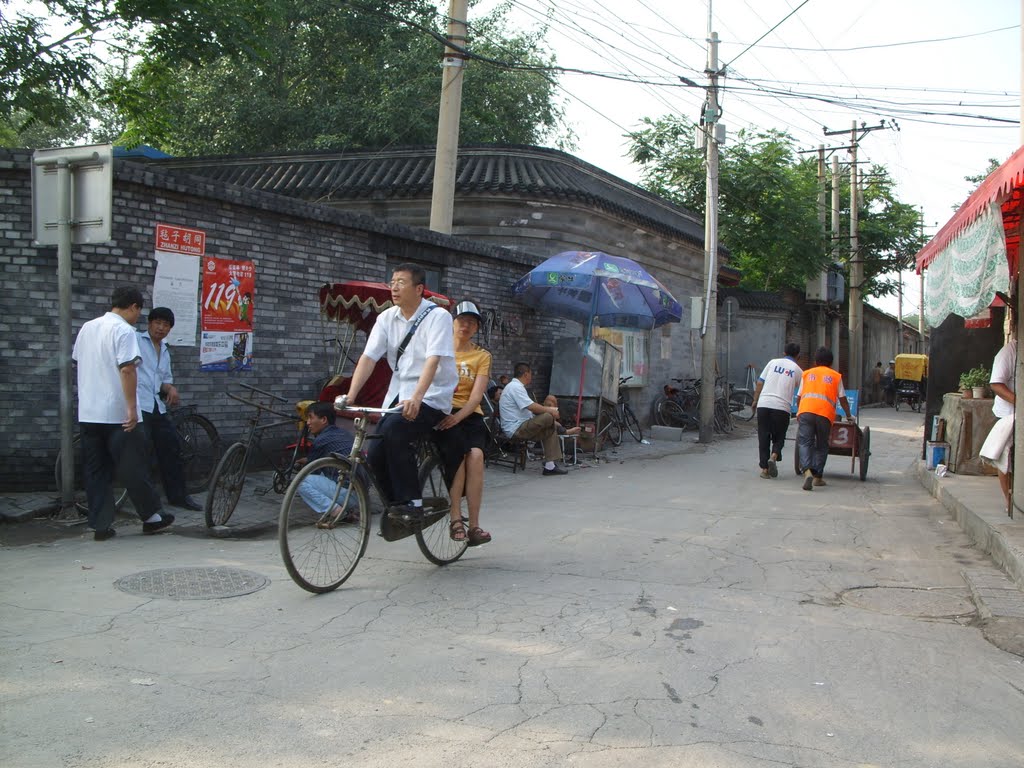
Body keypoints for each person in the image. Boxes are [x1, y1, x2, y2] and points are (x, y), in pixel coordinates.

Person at [339, 264, 457, 521]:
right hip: (399, 392)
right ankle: (397, 507)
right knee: (376, 451)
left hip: (432, 394)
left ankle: (413, 502)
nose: (394, 287)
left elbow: (433, 360)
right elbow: (369, 358)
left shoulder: (438, 317)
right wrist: (350, 395)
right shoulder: (386, 318)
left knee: (395, 431)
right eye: (392, 282)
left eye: (401, 282)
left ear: (419, 289)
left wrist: (417, 398)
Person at [71, 286, 173, 540]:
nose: (137, 317)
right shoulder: (124, 331)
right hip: (118, 414)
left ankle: (100, 526)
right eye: (139, 312)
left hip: (89, 412)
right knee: (132, 467)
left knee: (96, 471)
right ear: (134, 307)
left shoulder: (87, 327)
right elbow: (127, 370)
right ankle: (151, 518)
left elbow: (78, 361)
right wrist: (131, 408)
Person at [436, 301, 493, 546]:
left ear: (477, 327)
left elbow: (476, 397)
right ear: (452, 322)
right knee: (458, 455)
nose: (466, 325)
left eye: (472, 322)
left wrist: (457, 417)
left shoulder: (482, 356)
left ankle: (476, 525)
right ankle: (456, 518)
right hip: (441, 410)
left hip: (469, 415)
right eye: (462, 320)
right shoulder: (438, 350)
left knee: (476, 456)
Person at [136, 307, 202, 511]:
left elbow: (163, 380)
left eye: (166, 325)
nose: (161, 328)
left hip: (157, 406)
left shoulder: (164, 349)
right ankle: (148, 505)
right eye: (158, 323)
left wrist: (170, 388)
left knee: (172, 448)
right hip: (138, 405)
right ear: (149, 323)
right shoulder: (136, 341)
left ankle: (178, 496)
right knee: (142, 454)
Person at [796, 346, 853, 491]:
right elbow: (843, 399)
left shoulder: (807, 374)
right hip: (825, 414)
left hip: (806, 411)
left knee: (804, 442)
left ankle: (807, 470)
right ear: (831, 362)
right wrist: (848, 416)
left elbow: (799, 396)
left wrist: (799, 411)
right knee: (822, 444)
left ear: (815, 361)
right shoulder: (835, 376)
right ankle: (817, 477)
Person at [498, 362, 568, 476]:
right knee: (548, 416)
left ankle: (550, 466)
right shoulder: (515, 387)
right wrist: (551, 411)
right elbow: (531, 406)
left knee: (549, 429)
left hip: (522, 425)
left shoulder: (517, 387)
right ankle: (559, 430)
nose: (531, 377)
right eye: (531, 374)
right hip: (516, 428)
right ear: (526, 374)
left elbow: (530, 408)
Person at [296, 401, 358, 524]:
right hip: (359, 493)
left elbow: (312, 469)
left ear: (324, 419)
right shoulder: (342, 433)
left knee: (300, 481)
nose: (308, 423)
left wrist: (302, 464)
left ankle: (337, 511)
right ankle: (346, 510)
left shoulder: (322, 439)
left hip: (347, 493)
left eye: (310, 418)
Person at [750, 342, 802, 479]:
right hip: (782, 407)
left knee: (763, 436)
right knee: (779, 437)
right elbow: (801, 391)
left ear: (784, 352)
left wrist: (755, 400)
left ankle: (765, 470)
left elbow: (760, 382)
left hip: (764, 403)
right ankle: (774, 455)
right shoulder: (798, 370)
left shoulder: (773, 362)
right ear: (798, 356)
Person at [985, 326, 1016, 508]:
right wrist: (1018, 401)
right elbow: (996, 384)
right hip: (1008, 415)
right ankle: (1009, 501)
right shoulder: (1008, 352)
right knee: (1005, 458)